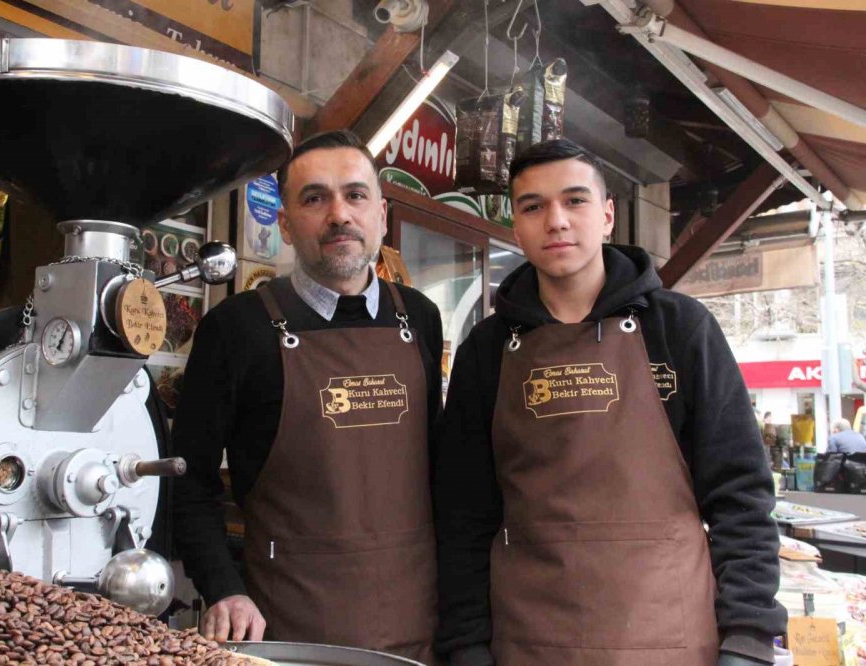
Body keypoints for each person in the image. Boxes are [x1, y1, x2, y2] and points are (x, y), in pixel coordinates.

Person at [434, 139, 785, 666]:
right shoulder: (486, 351)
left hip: (670, 639)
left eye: (575, 200)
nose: (556, 221)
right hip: (528, 641)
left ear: (607, 215)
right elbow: (464, 515)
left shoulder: (680, 330)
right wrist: (466, 643)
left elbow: (741, 496)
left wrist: (750, 637)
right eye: (533, 206)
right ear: (516, 227)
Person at [172, 130, 444, 664]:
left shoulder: (421, 318)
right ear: (285, 223)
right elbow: (187, 479)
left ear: (381, 214)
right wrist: (223, 587)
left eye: (355, 195)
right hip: (290, 631)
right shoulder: (236, 329)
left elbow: (439, 469)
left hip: (419, 625)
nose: (339, 215)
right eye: (315, 198)